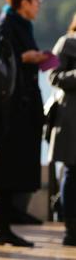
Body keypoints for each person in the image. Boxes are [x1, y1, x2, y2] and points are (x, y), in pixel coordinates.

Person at [0, 0, 46, 247]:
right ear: (23, 2)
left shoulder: (24, 25)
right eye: (36, 0)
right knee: (6, 167)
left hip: (25, 105)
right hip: (11, 109)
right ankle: (3, 228)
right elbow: (0, 62)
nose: (39, 5)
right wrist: (25, 58)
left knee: (17, 167)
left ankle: (8, 224)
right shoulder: (6, 26)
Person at [48, 14, 76, 246]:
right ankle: (70, 228)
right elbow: (53, 76)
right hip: (71, 120)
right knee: (72, 172)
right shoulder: (67, 42)